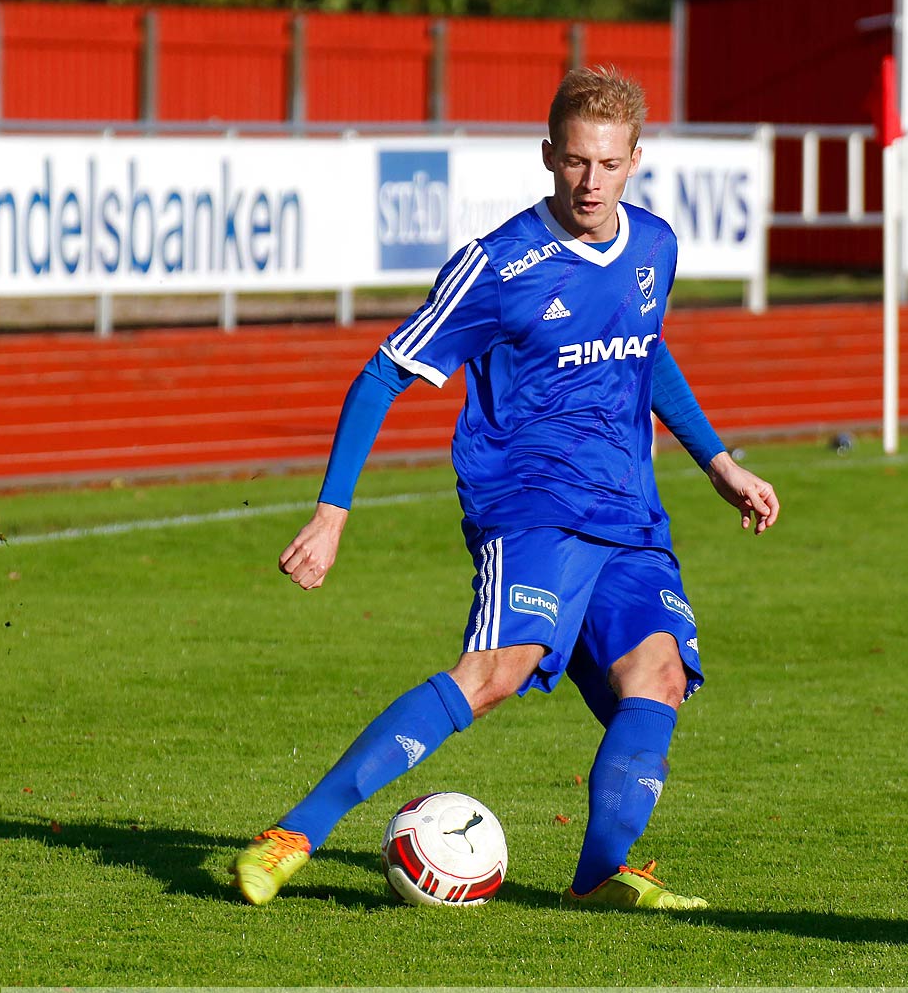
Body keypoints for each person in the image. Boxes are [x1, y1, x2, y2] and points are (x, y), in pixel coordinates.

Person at [232, 67, 779, 911]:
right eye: (573, 162)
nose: (590, 182)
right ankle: (292, 834)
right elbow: (381, 376)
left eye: (607, 163)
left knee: (659, 677)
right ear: (548, 155)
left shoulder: (656, 245)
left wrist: (719, 462)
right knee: (493, 673)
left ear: (636, 158)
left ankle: (596, 879)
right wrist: (332, 511)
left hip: (630, 509)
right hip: (530, 504)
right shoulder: (497, 266)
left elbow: (645, 349)